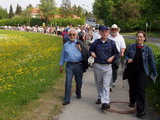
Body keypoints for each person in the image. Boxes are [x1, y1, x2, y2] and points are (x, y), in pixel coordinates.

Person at [125, 31, 158, 118]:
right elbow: (126, 56)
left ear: (144, 38)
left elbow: (152, 62)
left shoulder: (148, 49)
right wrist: (128, 59)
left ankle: (140, 110)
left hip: (142, 72)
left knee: (140, 90)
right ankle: (132, 101)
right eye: (138, 37)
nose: (139, 38)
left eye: (141, 37)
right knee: (132, 88)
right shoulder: (131, 47)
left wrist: (155, 73)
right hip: (132, 71)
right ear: (136, 38)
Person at [89, 26, 119, 110]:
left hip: (107, 66)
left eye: (106, 31)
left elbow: (117, 53)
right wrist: (92, 53)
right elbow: (90, 50)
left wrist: (112, 57)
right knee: (99, 83)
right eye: (103, 32)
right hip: (98, 65)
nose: (105, 33)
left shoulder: (112, 43)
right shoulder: (96, 42)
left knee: (106, 85)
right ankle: (100, 97)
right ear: (100, 33)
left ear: (108, 33)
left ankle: (105, 102)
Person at [59, 28, 89, 105]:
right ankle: (67, 99)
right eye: (70, 34)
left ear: (76, 35)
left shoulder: (80, 43)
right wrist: (61, 65)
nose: (72, 36)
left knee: (78, 82)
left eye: (73, 34)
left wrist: (80, 49)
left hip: (79, 65)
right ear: (68, 35)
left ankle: (78, 92)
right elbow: (63, 55)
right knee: (68, 82)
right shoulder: (66, 45)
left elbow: (86, 54)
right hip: (69, 65)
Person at [108, 24, 126, 90]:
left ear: (117, 30)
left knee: (115, 69)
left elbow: (123, 46)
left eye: (115, 29)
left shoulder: (120, 37)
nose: (114, 30)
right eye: (112, 29)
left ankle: (113, 81)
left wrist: (122, 52)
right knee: (108, 69)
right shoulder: (108, 36)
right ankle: (109, 82)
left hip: (117, 55)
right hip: (109, 55)